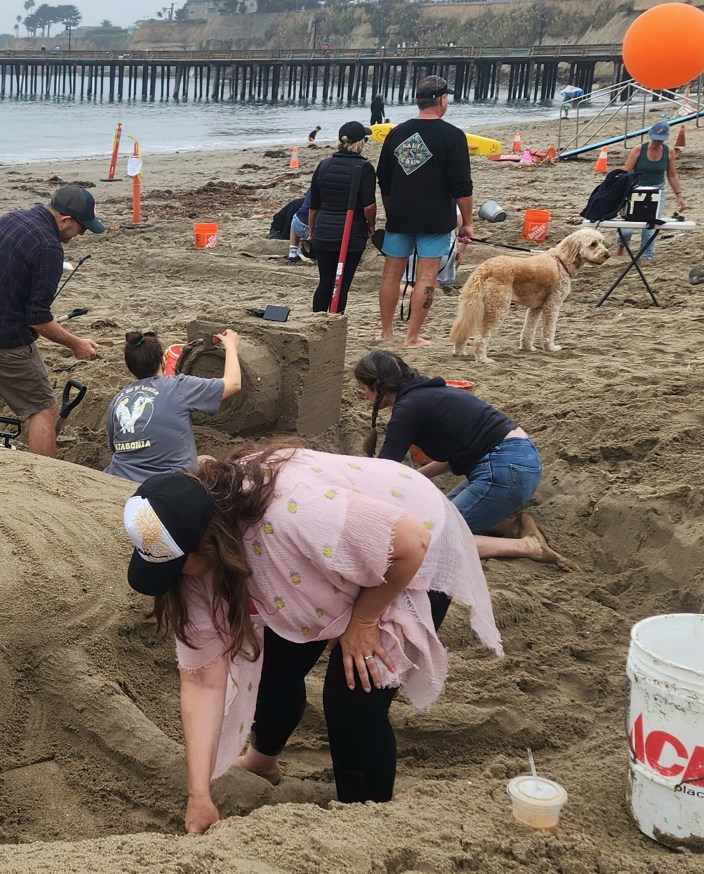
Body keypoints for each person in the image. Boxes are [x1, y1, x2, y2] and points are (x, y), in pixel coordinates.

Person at [120, 447, 501, 832]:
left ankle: (367, 822)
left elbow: (410, 541)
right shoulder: (198, 564)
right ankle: (262, 761)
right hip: (319, 562)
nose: (175, 577)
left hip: (408, 543)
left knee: (352, 694)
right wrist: (199, 794)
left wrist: (362, 620)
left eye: (177, 565)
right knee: (273, 670)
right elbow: (203, 680)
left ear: (209, 542)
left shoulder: (294, 511)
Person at [353, 350, 571, 566]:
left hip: (505, 471)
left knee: (430, 537)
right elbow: (458, 451)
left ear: (376, 386)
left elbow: (384, 471)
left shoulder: (407, 409)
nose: (364, 396)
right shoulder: (430, 392)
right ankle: (513, 527)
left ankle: (526, 546)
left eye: (363, 389)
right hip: (519, 463)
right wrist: (418, 477)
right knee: (436, 513)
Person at [0, 185, 103, 457]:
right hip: (0, 341)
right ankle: (43, 475)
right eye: (82, 228)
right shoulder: (49, 247)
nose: (81, 234)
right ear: (65, 220)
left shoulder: (8, 219)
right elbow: (38, 318)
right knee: (43, 407)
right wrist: (76, 344)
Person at [374, 76, 473, 347]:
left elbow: (384, 179)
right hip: (435, 218)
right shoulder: (453, 136)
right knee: (427, 277)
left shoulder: (396, 133)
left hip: (400, 215)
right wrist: (467, 222)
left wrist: (391, 211)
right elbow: (462, 186)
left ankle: (385, 332)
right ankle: (411, 337)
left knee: (391, 274)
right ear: (442, 100)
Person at [105, 330, 242, 482]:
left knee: (203, 460)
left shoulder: (118, 399)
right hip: (168, 484)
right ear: (163, 362)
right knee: (208, 463)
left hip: (117, 478)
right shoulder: (178, 387)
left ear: (130, 368)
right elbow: (233, 383)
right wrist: (231, 346)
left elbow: (115, 447)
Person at [308, 121, 378, 314]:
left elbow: (314, 205)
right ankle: (335, 321)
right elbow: (369, 206)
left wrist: (312, 231)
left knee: (325, 281)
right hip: (350, 234)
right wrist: (372, 226)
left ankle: (316, 320)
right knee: (341, 284)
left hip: (324, 230)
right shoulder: (364, 168)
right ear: (360, 142)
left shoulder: (324, 165)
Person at [616, 121, 686, 260]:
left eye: (660, 140)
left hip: (657, 191)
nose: (657, 142)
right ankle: (622, 244)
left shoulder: (669, 151)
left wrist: (679, 195)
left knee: (650, 227)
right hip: (636, 190)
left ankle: (646, 258)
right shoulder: (638, 150)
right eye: (655, 139)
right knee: (627, 229)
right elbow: (626, 172)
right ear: (650, 135)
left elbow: (672, 175)